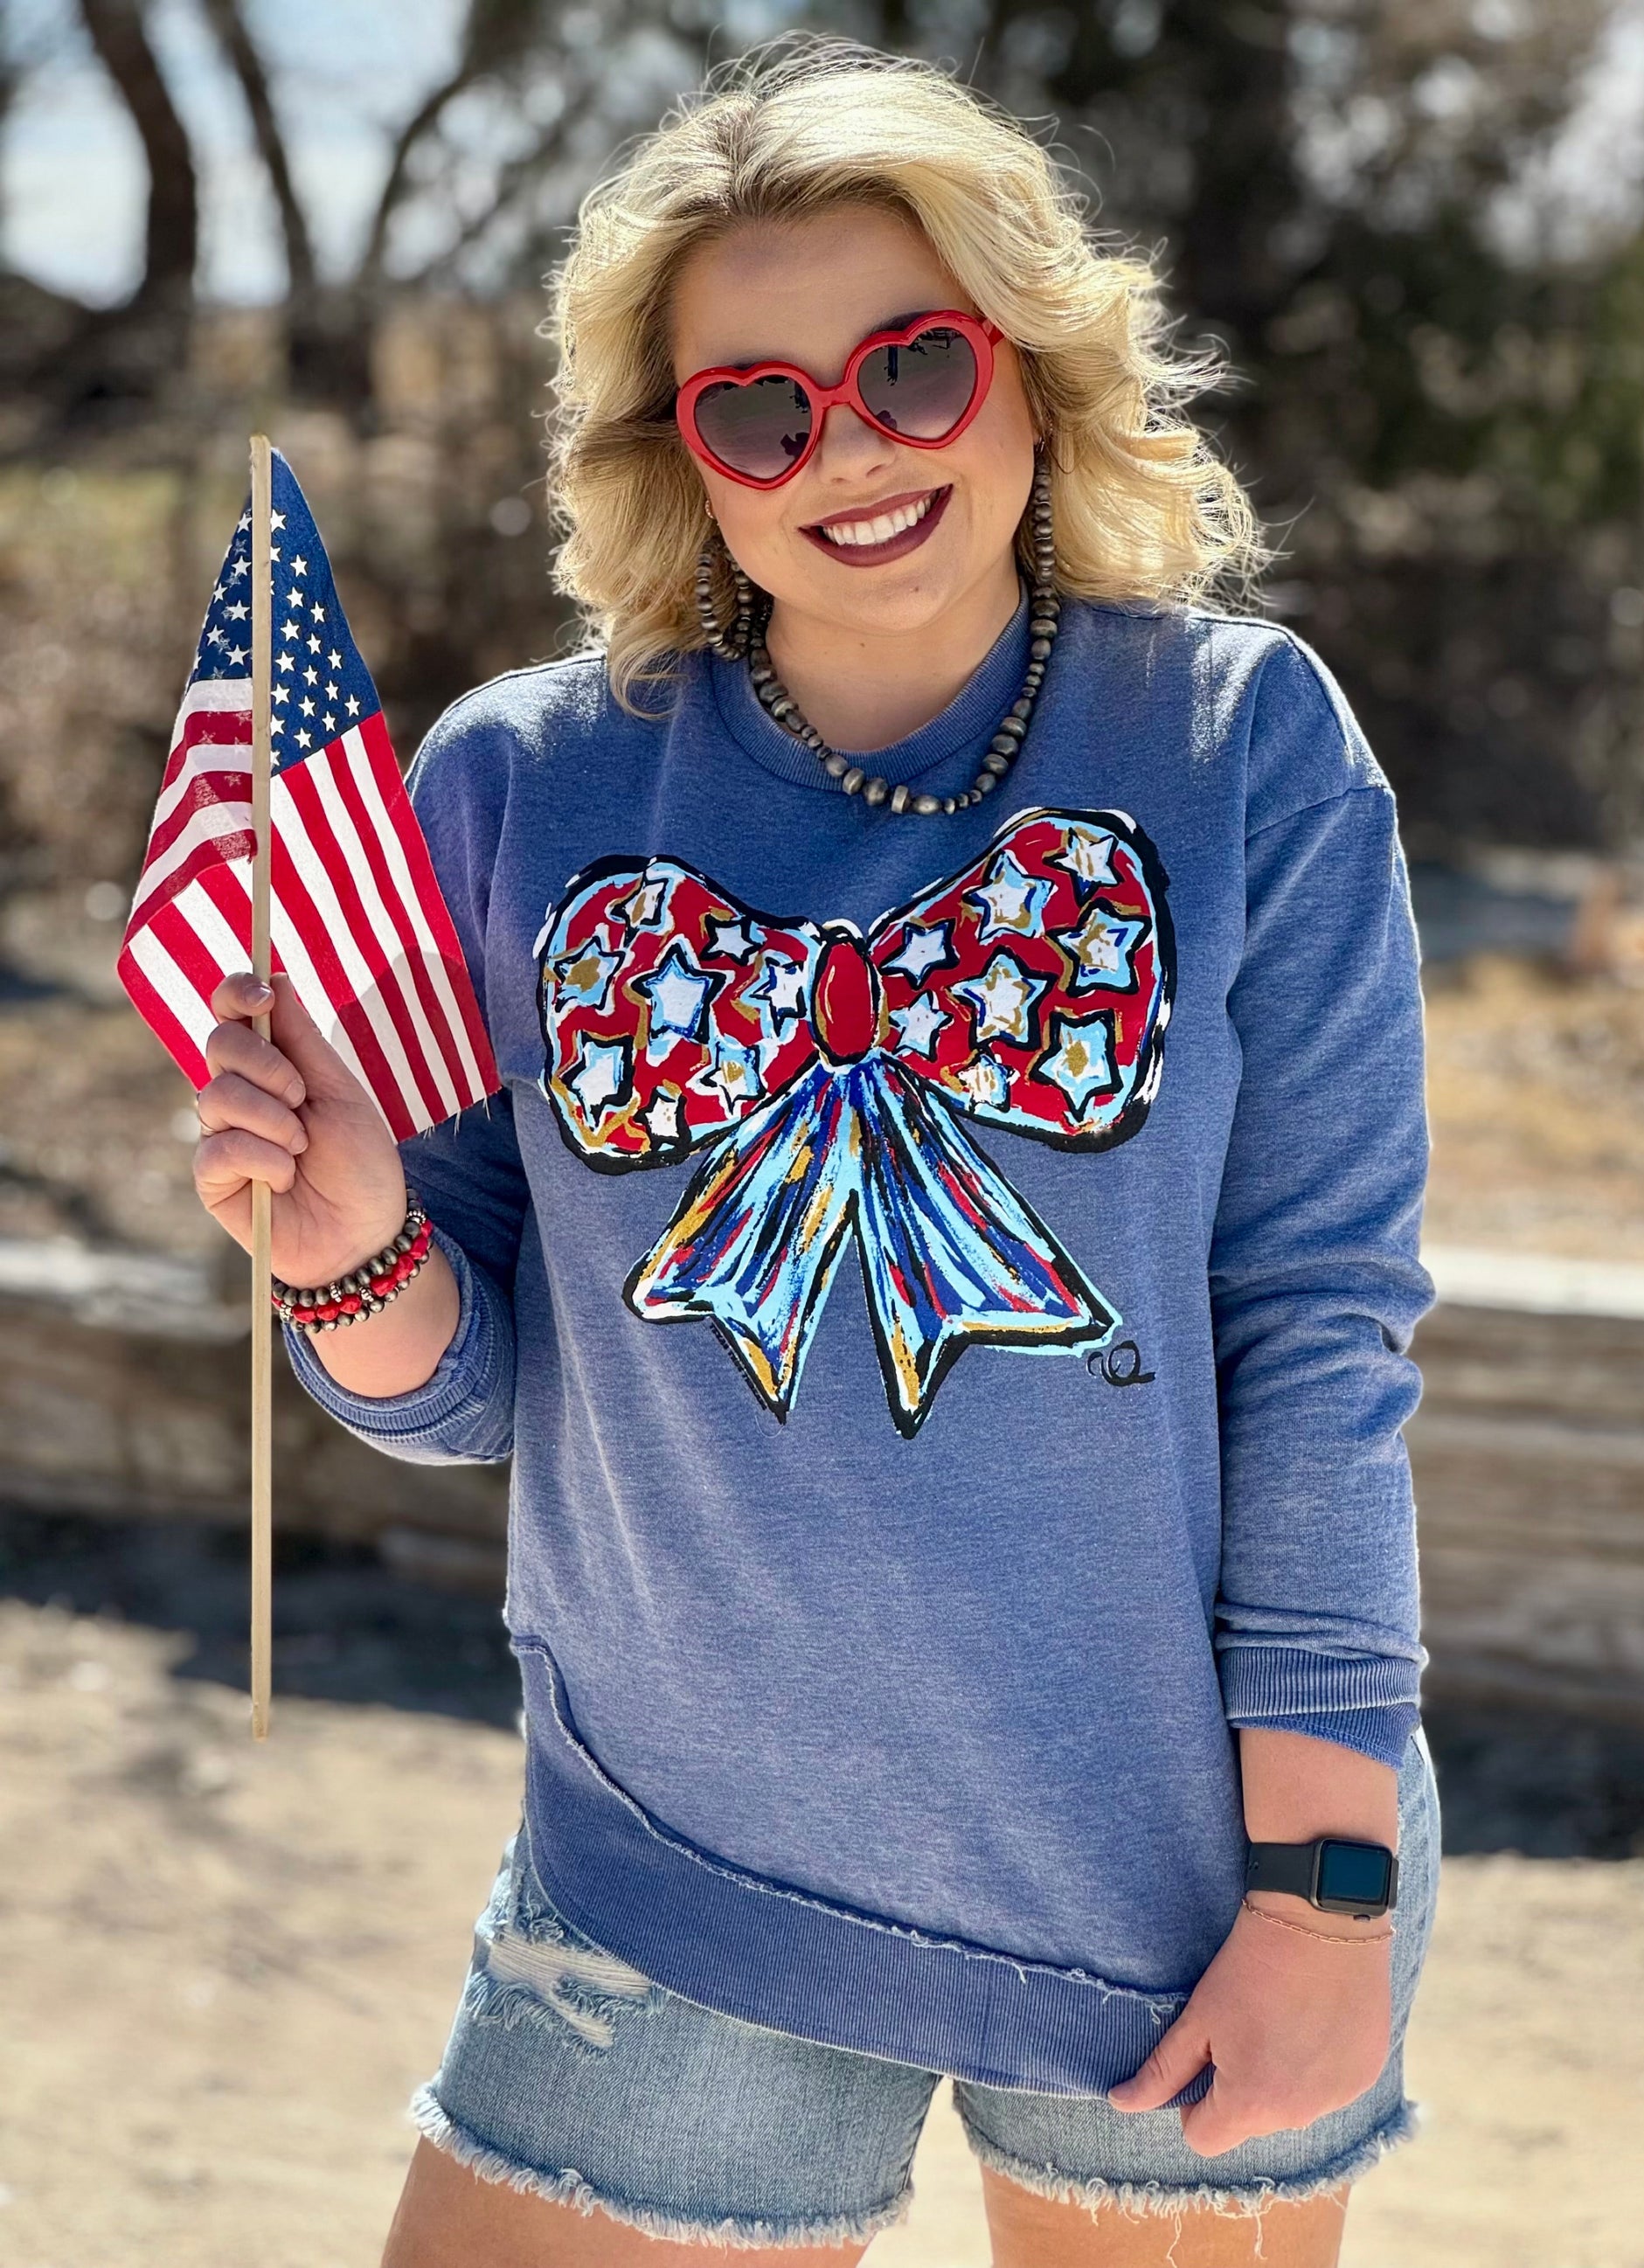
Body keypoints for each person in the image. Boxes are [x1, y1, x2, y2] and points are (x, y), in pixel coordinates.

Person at [191, 41, 1439, 2268]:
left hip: (1183, 1888)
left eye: (912, 366)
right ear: (680, 457)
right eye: (756, 408)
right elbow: (458, 1390)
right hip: (671, 1871)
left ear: (1029, 365)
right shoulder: (520, 788)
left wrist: (1322, 1892)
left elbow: (1318, 1329)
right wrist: (347, 1246)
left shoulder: (1242, 741)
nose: (846, 449)